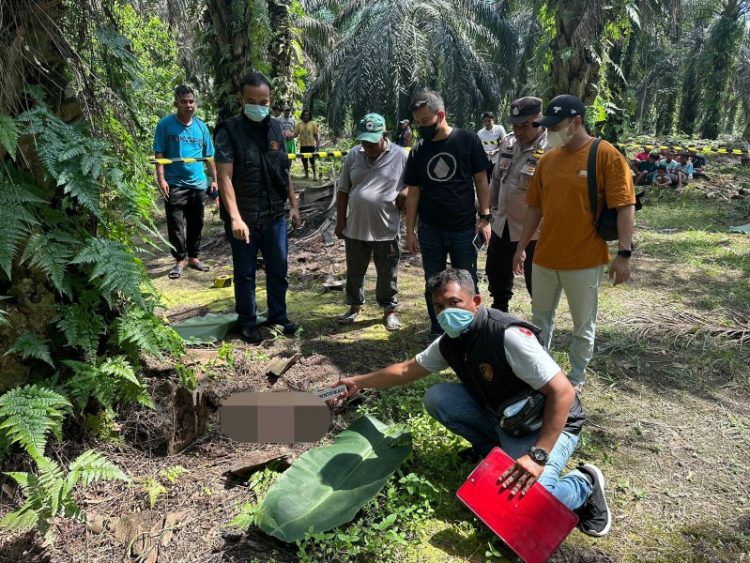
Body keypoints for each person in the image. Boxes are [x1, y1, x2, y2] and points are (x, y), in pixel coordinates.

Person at [333, 269, 611, 537]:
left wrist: (538, 456)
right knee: (438, 398)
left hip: (546, 424)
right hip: (506, 418)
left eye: (454, 302)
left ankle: (584, 482)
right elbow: (407, 370)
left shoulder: (507, 335)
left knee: (534, 502)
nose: (446, 312)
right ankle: (493, 453)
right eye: (439, 306)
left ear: (475, 301)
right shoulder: (451, 342)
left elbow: (563, 393)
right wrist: (358, 382)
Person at [512, 95, 636, 389]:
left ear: (577, 121)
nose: (551, 131)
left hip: (584, 260)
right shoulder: (548, 159)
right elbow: (535, 207)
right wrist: (521, 247)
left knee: (583, 325)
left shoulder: (605, 155)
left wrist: (624, 254)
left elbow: (625, 206)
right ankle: (542, 373)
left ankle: (576, 378)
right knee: (539, 320)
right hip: (545, 256)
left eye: (557, 126)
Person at [214, 72, 301, 344]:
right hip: (244, 218)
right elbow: (224, 176)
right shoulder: (228, 131)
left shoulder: (277, 128)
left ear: (270, 99)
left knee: (279, 269)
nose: (258, 105)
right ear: (241, 99)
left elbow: (283, 170)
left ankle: (278, 315)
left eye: (263, 100)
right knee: (245, 273)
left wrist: (294, 205)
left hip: (275, 216)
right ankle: (247, 322)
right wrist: (236, 218)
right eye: (251, 100)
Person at [404, 89, 493, 340]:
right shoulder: (419, 150)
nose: (421, 127)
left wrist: (485, 217)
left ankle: (468, 330)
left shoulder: (467, 140)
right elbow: (413, 193)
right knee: (433, 282)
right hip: (430, 228)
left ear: (440, 115)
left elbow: (481, 179)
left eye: (425, 122)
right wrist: (409, 231)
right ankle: (438, 331)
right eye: (418, 122)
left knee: (466, 281)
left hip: (463, 227)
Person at [334, 113, 408, 331]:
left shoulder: (400, 155)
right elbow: (343, 190)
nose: (368, 146)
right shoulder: (353, 155)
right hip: (356, 226)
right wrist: (340, 222)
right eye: (364, 141)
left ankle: (389, 310)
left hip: (386, 228)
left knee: (387, 272)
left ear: (384, 135)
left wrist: (404, 197)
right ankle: (354, 307)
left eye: (372, 142)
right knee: (355, 270)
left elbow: (411, 186)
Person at [486, 96, 547, 313]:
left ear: (539, 120)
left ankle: (540, 316)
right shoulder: (509, 142)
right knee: (496, 271)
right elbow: (495, 179)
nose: (519, 131)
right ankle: (499, 309)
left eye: (525, 126)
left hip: (534, 231)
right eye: (515, 126)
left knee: (537, 281)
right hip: (503, 223)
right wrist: (487, 213)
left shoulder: (551, 149)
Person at [153, 84, 217, 280]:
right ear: (176, 103)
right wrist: (161, 178)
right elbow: (159, 153)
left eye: (191, 102)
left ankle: (194, 257)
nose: (188, 105)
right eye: (184, 102)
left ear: (195, 103)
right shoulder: (165, 125)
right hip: (174, 184)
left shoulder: (201, 127)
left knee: (196, 223)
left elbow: (209, 156)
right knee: (175, 224)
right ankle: (179, 260)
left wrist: (214, 180)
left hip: (197, 184)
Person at [477, 111, 507, 182]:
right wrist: (484, 152)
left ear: (493, 120)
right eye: (485, 121)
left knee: (497, 180)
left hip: (497, 159)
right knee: (485, 181)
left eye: (489, 121)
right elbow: (477, 147)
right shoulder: (480, 133)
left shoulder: (499, 129)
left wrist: (496, 151)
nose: (487, 123)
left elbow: (505, 142)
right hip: (485, 160)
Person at [293, 108, 320, 180]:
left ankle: (315, 175)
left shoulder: (313, 124)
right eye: (304, 115)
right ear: (302, 116)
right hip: (302, 146)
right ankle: (306, 175)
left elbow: (316, 135)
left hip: (311, 145)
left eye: (307, 115)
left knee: (312, 161)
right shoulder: (299, 124)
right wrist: (289, 136)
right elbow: (296, 134)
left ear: (309, 116)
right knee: (304, 161)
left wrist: (317, 144)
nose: (306, 116)